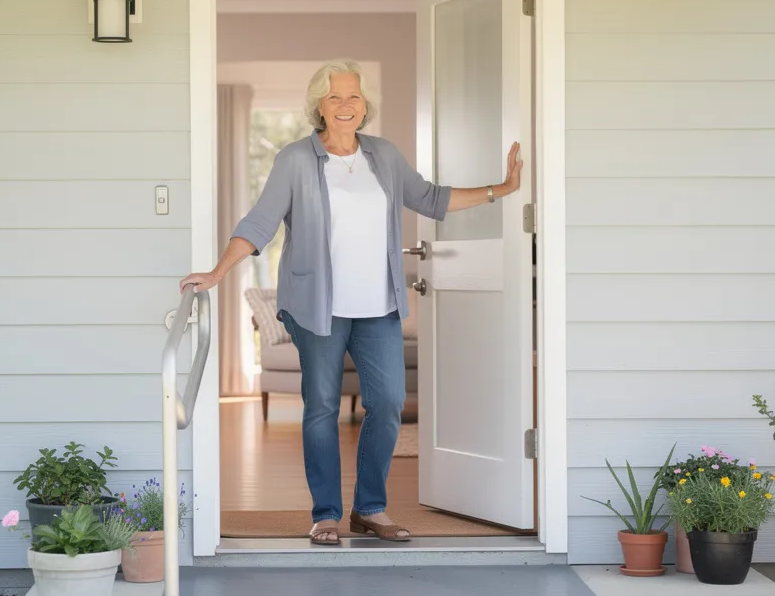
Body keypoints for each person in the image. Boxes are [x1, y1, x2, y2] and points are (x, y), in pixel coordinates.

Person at [180, 58, 523, 545]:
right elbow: (260, 223)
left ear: (365, 106)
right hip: (317, 307)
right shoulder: (296, 159)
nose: (345, 105)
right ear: (319, 106)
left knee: (387, 403)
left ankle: (369, 509)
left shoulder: (383, 155)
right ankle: (325, 514)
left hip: (378, 306)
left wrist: (501, 189)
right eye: (334, 96)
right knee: (321, 407)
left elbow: (431, 199)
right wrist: (217, 273)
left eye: (354, 96)